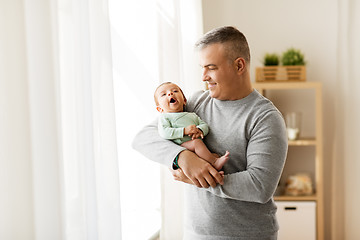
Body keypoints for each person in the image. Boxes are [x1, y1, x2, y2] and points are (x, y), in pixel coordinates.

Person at [132, 26, 288, 240]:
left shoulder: (265, 118)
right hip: (196, 234)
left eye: (211, 68)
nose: (204, 76)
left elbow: (259, 186)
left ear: (239, 65)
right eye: (201, 68)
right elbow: (144, 137)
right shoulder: (196, 103)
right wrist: (183, 158)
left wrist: (197, 177)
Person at [154, 81, 229, 171]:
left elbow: (204, 125)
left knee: (207, 154)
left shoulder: (192, 115)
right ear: (160, 109)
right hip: (181, 146)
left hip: (196, 147)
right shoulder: (165, 117)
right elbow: (164, 132)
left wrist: (200, 130)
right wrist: (184, 131)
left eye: (175, 91)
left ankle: (214, 172)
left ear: (184, 101)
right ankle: (214, 162)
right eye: (164, 94)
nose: (170, 93)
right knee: (197, 143)